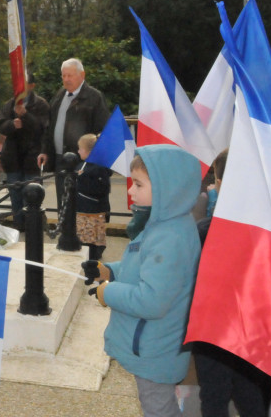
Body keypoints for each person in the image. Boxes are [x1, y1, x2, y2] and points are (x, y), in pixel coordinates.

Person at [83, 145, 201, 417]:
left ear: (166, 189)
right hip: (154, 344)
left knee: (158, 408)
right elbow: (143, 267)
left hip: (156, 348)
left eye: (138, 184)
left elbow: (152, 300)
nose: (130, 191)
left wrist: (108, 291)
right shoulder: (163, 224)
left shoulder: (169, 237)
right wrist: (109, 270)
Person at [192, 149, 271, 417]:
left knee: (214, 396)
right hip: (251, 330)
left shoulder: (204, 231)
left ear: (220, 181)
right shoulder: (269, 232)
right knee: (250, 393)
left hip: (213, 331)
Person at [38, 58, 110, 208]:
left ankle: (76, 231)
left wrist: (90, 156)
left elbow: (103, 130)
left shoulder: (94, 98)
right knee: (63, 201)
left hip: (82, 161)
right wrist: (45, 151)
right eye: (63, 76)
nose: (66, 79)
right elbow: (49, 126)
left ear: (82, 75)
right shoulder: (60, 95)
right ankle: (64, 230)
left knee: (79, 202)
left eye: (70, 75)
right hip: (60, 160)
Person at [0, 73, 49, 230]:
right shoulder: (10, 104)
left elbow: (42, 128)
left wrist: (25, 115)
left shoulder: (41, 104)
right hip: (13, 158)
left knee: (32, 196)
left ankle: (33, 229)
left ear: (32, 86)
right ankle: (19, 228)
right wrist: (12, 124)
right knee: (15, 197)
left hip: (32, 158)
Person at [75, 134, 111, 261]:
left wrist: (81, 180)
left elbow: (102, 189)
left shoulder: (98, 169)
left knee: (94, 236)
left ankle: (94, 254)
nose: (78, 151)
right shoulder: (84, 165)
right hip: (84, 208)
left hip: (94, 209)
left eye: (80, 148)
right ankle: (88, 251)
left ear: (89, 151)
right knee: (86, 235)